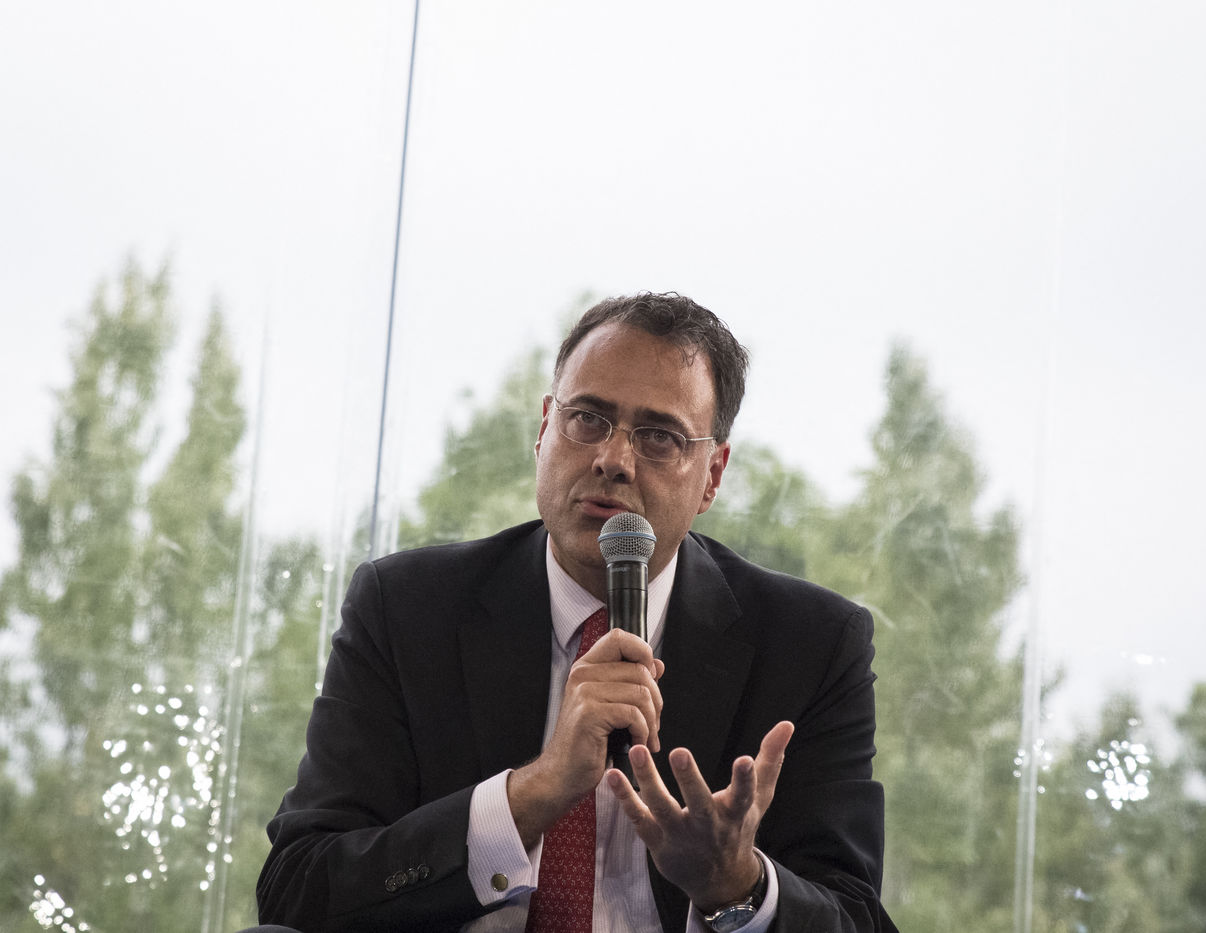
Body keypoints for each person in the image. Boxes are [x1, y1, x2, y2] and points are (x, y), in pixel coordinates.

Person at [253, 293, 896, 932]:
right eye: (588, 418)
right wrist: (531, 794)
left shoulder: (811, 644)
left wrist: (736, 887)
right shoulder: (407, 609)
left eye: (659, 437)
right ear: (543, 430)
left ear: (712, 475)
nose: (613, 460)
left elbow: (856, 916)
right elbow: (297, 887)